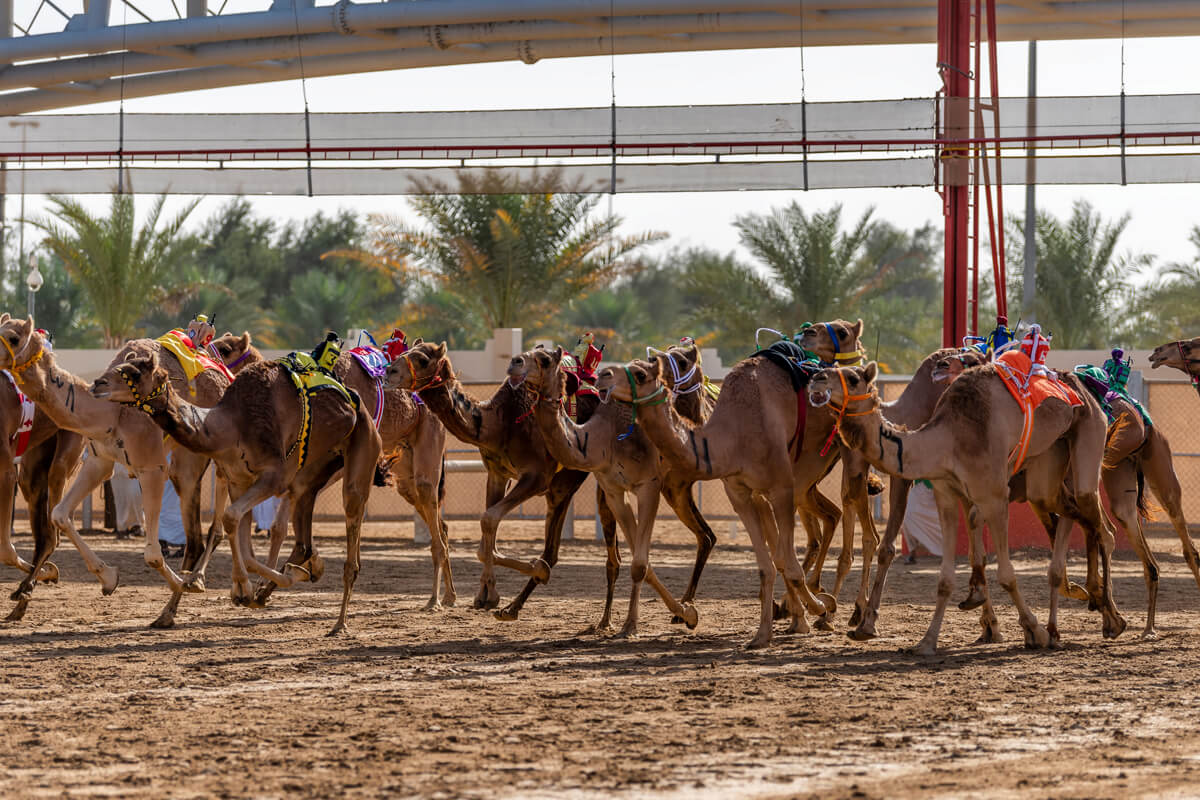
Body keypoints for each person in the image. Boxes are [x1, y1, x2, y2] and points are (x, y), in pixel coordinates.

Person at [900, 479, 942, 562]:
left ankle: (945, 554)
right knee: (906, 518)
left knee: (940, 521)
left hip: (938, 487)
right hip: (919, 487)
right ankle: (912, 551)